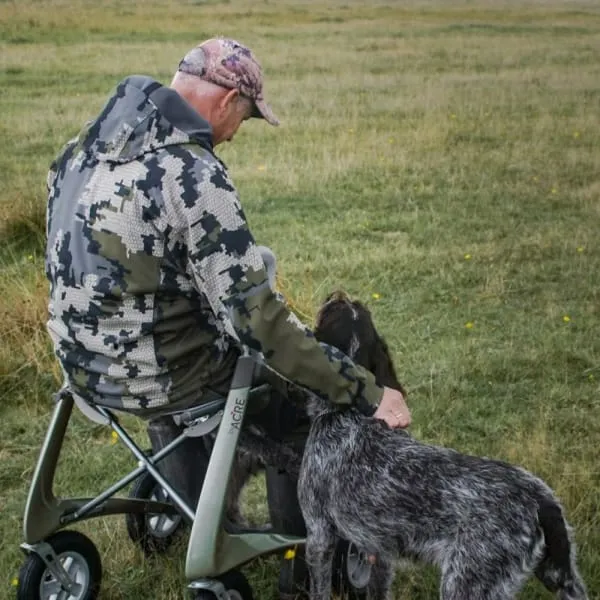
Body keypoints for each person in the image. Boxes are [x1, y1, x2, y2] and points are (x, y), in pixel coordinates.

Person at [44, 37, 411, 598]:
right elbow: (258, 324)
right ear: (227, 100)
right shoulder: (194, 175)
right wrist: (363, 389)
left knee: (194, 357)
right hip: (172, 380)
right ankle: (304, 558)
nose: (237, 133)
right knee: (307, 412)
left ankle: (185, 502)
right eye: (245, 116)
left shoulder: (76, 154)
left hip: (86, 375)